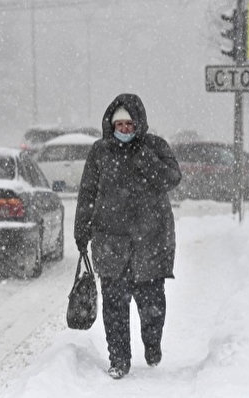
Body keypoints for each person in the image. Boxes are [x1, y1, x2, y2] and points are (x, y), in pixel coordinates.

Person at [74, 93, 182, 379]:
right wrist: (81, 228)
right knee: (114, 306)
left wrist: (144, 157)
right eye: (119, 124)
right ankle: (119, 360)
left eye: (129, 124)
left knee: (152, 305)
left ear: (139, 124)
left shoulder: (155, 146)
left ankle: (152, 344)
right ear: (111, 124)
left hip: (151, 240)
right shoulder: (100, 152)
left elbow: (172, 178)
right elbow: (87, 193)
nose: (124, 129)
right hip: (111, 242)